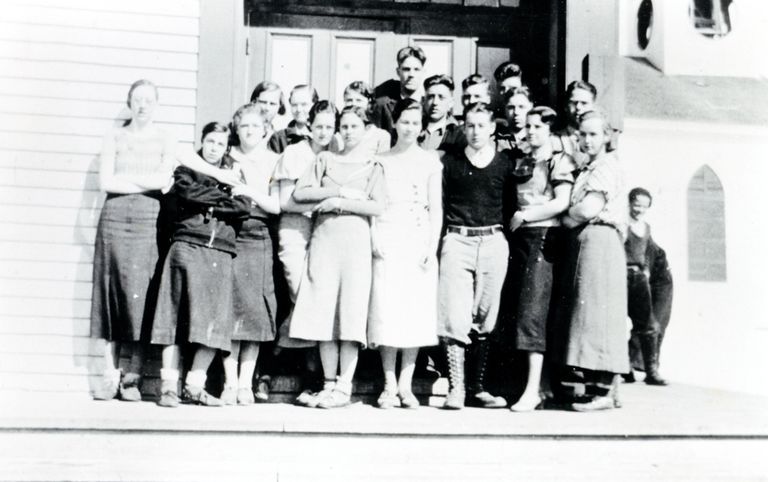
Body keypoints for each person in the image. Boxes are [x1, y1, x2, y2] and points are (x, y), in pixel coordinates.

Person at [288, 106, 386, 409]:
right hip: (324, 242)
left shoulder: (373, 166)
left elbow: (377, 206)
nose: (348, 131)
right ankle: (328, 384)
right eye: (343, 126)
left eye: (355, 126)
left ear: (365, 129)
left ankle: (344, 386)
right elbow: (300, 193)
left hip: (354, 245)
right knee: (324, 313)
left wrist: (339, 203)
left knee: (350, 314)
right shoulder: (325, 159)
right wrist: (336, 191)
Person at [151, 122, 251, 408]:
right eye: (209, 142)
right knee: (174, 317)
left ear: (226, 148)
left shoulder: (235, 174)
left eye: (220, 144)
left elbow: (243, 206)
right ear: (202, 142)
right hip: (187, 246)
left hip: (219, 252)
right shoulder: (186, 170)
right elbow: (187, 194)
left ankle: (195, 386)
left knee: (214, 321)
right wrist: (221, 197)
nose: (213, 148)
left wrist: (208, 202)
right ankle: (169, 387)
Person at [91, 79, 177, 401]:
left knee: (142, 294)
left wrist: (126, 181)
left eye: (148, 100)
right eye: (137, 99)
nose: (142, 105)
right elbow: (105, 182)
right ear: (129, 102)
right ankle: (109, 375)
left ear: (156, 104)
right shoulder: (115, 136)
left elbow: (164, 180)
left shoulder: (165, 137)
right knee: (111, 293)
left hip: (147, 220)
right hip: (113, 218)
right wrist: (148, 182)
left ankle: (133, 376)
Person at [438, 102, 519, 410]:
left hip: (493, 241)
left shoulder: (503, 165)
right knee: (455, 317)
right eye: (469, 126)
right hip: (458, 240)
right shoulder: (451, 163)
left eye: (481, 126)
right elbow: (442, 204)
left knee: (486, 317)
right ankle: (456, 388)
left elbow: (511, 206)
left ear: (492, 128)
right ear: (463, 127)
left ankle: (477, 387)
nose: (475, 132)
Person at [368, 99, 442, 409]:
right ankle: (388, 384)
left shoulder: (430, 161)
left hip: (417, 237)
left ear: (422, 126)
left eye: (415, 122)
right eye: (405, 121)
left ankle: (406, 385)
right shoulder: (381, 160)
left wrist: (430, 246)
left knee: (414, 312)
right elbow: (372, 203)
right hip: (387, 234)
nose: (410, 127)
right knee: (387, 310)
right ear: (395, 123)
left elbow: (435, 208)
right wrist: (374, 237)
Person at [501, 106, 576, 412]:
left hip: (543, 238)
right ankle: (537, 387)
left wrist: (525, 214)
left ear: (549, 130)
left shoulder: (559, 161)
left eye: (536, 127)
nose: (530, 132)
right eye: (528, 127)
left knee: (533, 313)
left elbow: (562, 202)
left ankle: (533, 391)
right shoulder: (523, 160)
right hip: (520, 240)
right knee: (519, 312)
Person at [560, 110, 629, 411]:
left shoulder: (604, 168)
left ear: (606, 137)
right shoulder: (589, 167)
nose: (587, 140)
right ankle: (602, 389)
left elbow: (588, 208)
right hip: (589, 241)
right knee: (589, 315)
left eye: (593, 134)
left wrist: (567, 215)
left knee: (599, 315)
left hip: (600, 238)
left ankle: (602, 392)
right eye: (583, 134)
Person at [272, 100, 339, 406]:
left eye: (329, 125)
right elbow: (286, 201)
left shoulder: (338, 152)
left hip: (325, 231)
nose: (324, 132)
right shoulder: (295, 153)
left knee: (320, 300)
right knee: (301, 293)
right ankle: (273, 357)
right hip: (296, 229)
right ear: (309, 126)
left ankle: (306, 374)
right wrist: (327, 200)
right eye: (319, 126)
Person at [217, 104, 282, 405]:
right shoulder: (226, 158)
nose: (250, 132)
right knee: (230, 309)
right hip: (232, 234)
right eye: (244, 127)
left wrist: (248, 190)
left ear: (266, 130)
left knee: (254, 311)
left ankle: (246, 383)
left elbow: (276, 206)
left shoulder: (274, 160)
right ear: (237, 130)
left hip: (259, 236)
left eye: (256, 127)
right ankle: (230, 383)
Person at [624, 187, 670, 386]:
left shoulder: (646, 228)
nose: (639, 210)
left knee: (648, 325)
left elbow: (648, 255)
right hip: (621, 276)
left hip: (639, 279)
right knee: (618, 323)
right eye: (636, 205)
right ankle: (624, 368)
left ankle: (652, 370)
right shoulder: (622, 224)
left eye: (643, 206)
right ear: (629, 203)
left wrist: (646, 272)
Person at [372, 46, 427, 134]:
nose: (411, 74)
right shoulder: (383, 106)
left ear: (423, 72)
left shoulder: (428, 105)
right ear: (398, 72)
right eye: (406, 69)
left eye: (416, 69)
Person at [418, 74, 466, 156]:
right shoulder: (413, 127)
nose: (435, 102)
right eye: (430, 97)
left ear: (451, 103)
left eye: (441, 97)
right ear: (423, 100)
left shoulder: (459, 132)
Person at [342, 81, 391, 154]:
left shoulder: (380, 136)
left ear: (369, 104)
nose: (354, 104)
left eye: (358, 100)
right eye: (349, 100)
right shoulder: (340, 133)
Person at [268, 84, 318, 154]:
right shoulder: (279, 138)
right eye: (294, 105)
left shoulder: (324, 135)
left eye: (304, 104)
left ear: (315, 104)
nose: (299, 109)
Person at [495, 86, 533, 152]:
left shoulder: (538, 140)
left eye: (521, 107)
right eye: (511, 107)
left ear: (531, 108)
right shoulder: (495, 141)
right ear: (505, 109)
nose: (516, 112)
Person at [250, 81, 287, 148]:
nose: (267, 108)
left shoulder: (280, 139)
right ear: (254, 102)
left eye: (272, 104)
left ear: (279, 106)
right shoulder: (242, 131)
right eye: (263, 102)